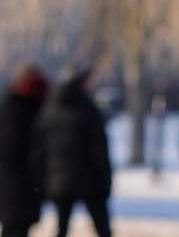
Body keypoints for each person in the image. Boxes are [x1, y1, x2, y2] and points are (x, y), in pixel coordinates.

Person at [35, 68, 110, 237]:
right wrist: (104, 179)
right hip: (89, 179)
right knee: (102, 228)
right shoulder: (88, 109)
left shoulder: (51, 108)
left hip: (59, 179)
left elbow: (40, 146)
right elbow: (98, 149)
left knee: (62, 228)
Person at [0, 67, 46, 237]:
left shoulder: (13, 107)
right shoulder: (20, 111)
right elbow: (13, 150)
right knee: (15, 227)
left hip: (17, 185)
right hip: (18, 185)